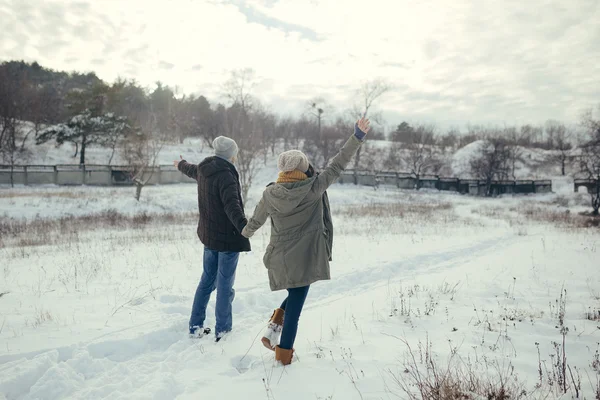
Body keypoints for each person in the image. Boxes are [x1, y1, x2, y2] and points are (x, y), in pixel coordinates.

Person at [242, 117, 370, 365]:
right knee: (296, 309)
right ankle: (283, 356)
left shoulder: (270, 194)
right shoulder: (313, 189)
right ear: (302, 168)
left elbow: (254, 222)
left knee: (295, 295)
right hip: (305, 259)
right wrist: (357, 137)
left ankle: (273, 328)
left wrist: (242, 234)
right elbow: (337, 164)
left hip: (282, 259)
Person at [174, 136, 250, 342]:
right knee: (224, 287)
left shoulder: (205, 168)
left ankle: (195, 326)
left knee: (207, 281)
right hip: (227, 239)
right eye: (235, 152)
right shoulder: (225, 174)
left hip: (209, 236)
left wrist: (180, 164)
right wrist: (245, 227)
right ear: (230, 154)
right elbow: (232, 205)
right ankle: (223, 331)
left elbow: (191, 169)